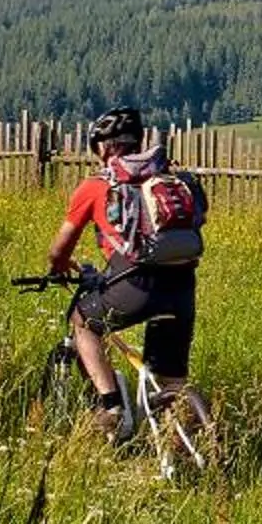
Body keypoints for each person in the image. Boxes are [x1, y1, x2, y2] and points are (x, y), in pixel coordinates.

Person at [45, 106, 205, 434]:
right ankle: (185, 454)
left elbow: (59, 250)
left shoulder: (95, 186)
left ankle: (111, 406)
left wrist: (59, 267)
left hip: (136, 284)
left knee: (83, 322)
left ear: (105, 147)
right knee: (170, 382)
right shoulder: (175, 179)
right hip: (182, 286)